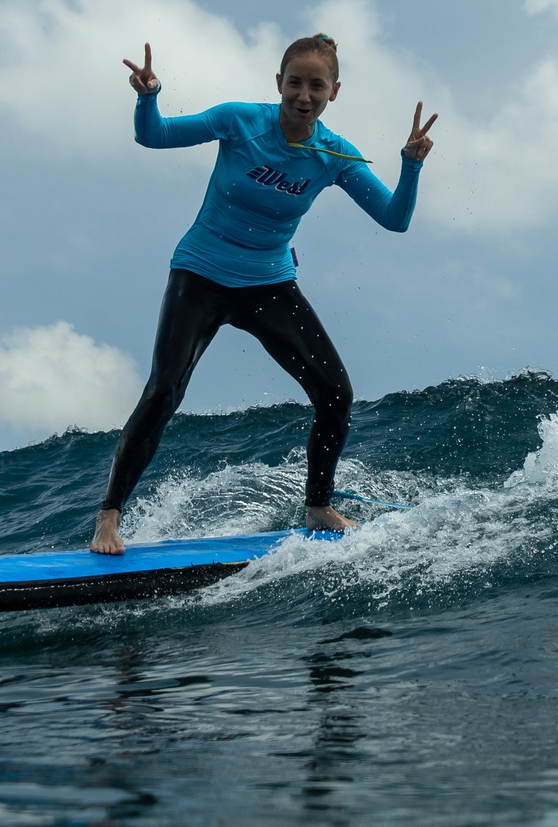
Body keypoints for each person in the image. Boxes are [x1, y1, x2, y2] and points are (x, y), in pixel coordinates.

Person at [92, 33, 437, 555]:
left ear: (334, 92)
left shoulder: (335, 155)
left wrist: (410, 166)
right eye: (295, 82)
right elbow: (154, 136)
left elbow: (395, 220)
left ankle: (318, 505)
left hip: (267, 283)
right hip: (201, 274)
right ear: (279, 83)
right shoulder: (240, 120)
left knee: (335, 393)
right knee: (165, 391)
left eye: (316, 85)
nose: (304, 94)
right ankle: (109, 519)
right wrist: (148, 94)